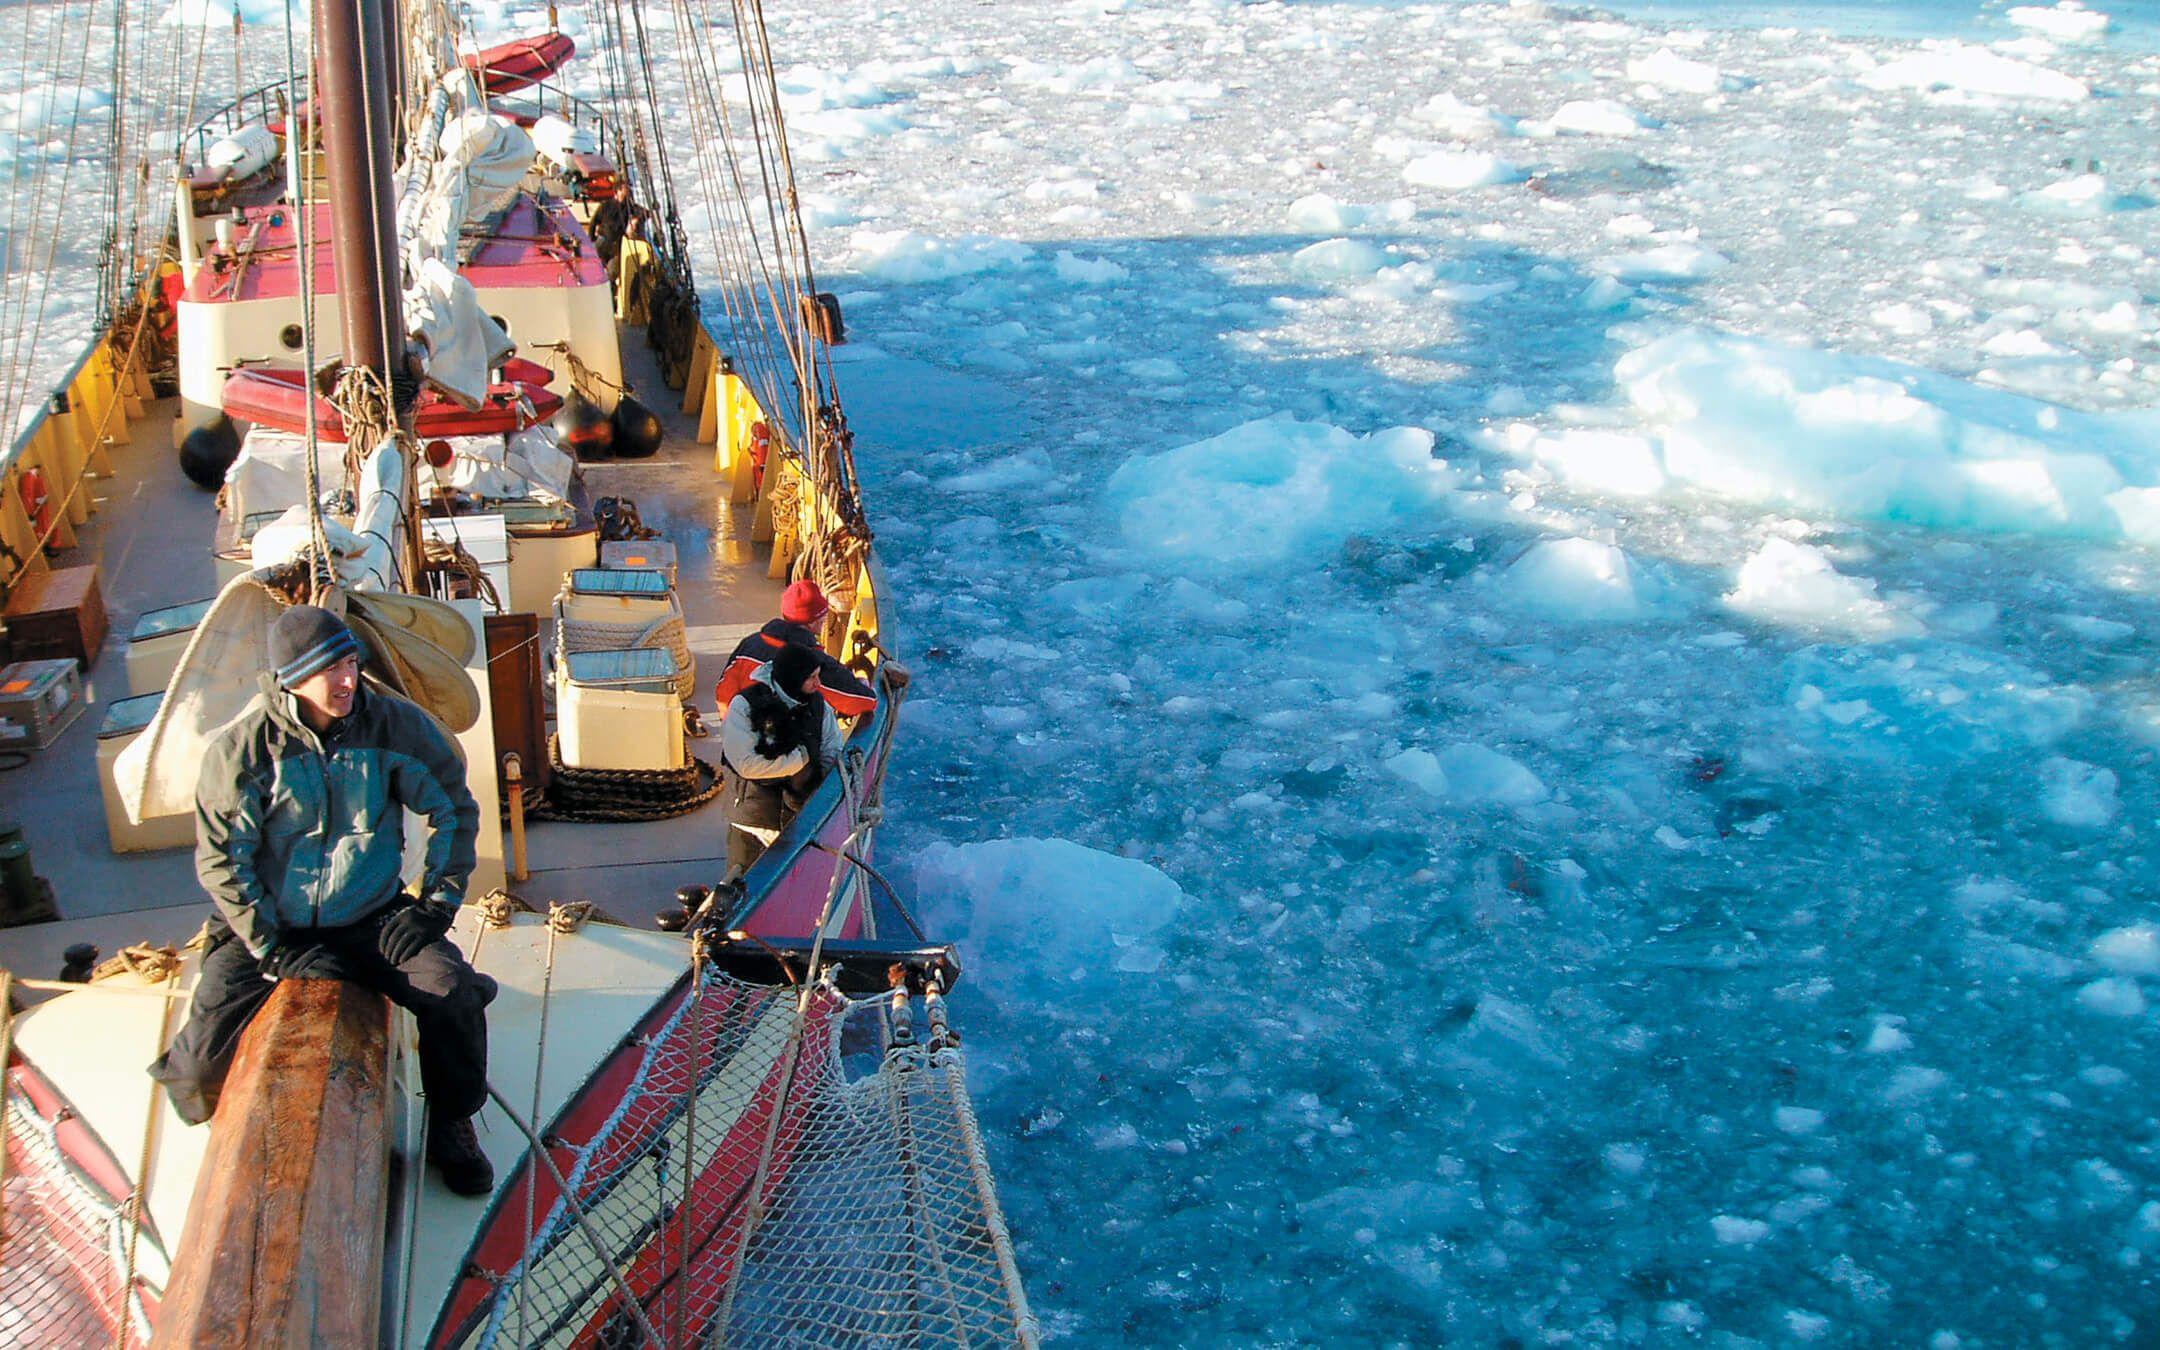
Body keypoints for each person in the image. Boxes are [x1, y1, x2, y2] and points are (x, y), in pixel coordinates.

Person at [147, 604, 497, 1196]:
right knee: (200, 1057)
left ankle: (452, 1123)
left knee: (452, 993)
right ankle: (214, 1118)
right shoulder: (243, 753)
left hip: (368, 915)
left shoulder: (394, 727)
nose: (345, 681)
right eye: (328, 669)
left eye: (352, 664)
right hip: (274, 924)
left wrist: (435, 903)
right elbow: (222, 861)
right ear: (290, 679)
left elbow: (453, 809)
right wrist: (270, 944)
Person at [717, 641, 840, 883]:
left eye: (819, 675)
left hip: (800, 819)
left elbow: (831, 749)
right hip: (754, 822)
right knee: (743, 888)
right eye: (811, 678)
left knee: (798, 886)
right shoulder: (744, 706)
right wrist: (800, 759)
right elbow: (746, 764)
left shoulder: (818, 705)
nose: (818, 684)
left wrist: (825, 793)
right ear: (792, 678)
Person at [713, 578, 879, 720]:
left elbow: (724, 691)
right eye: (823, 618)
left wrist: (737, 731)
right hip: (788, 753)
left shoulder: (749, 644)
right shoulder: (812, 661)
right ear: (814, 622)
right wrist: (864, 684)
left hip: (742, 744)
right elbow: (860, 701)